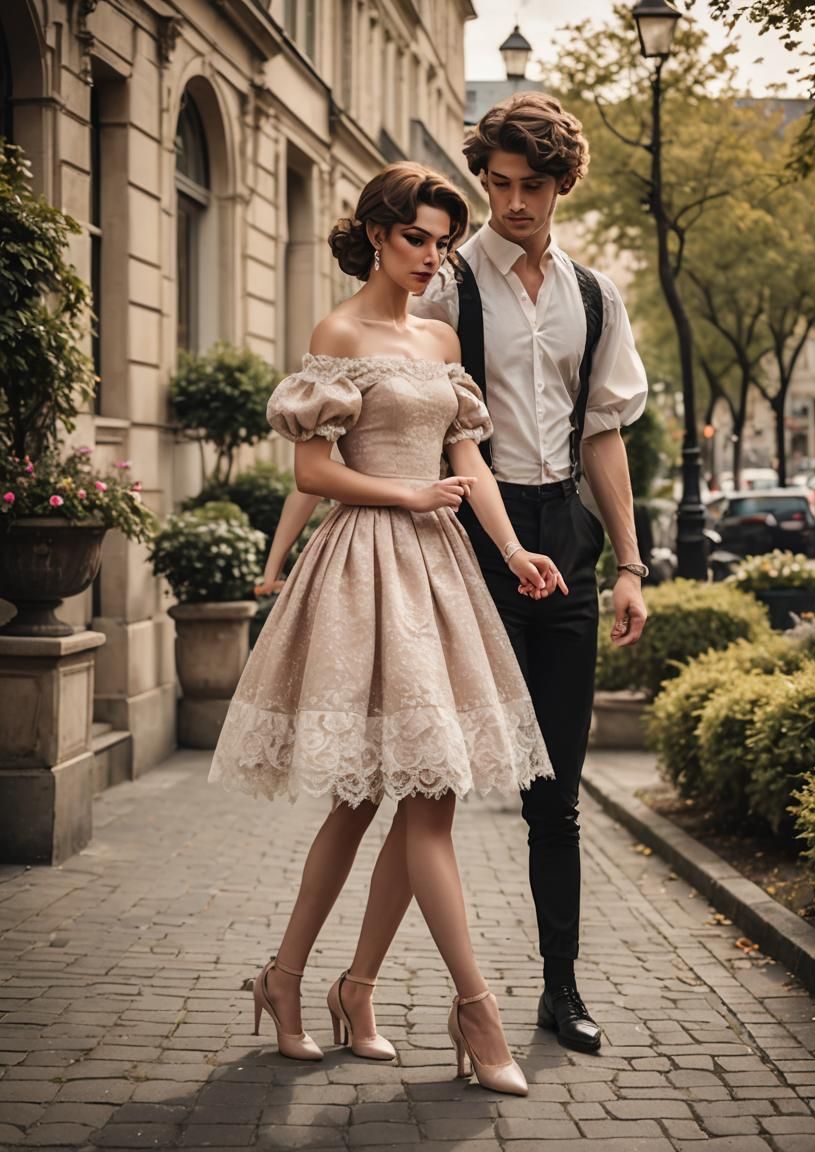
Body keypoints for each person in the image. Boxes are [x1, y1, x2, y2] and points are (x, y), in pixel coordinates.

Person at [209, 161, 568, 1097]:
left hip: (442, 573)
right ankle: (468, 1009)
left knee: (420, 795)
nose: (431, 256)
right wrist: (407, 492)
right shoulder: (337, 332)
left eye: (443, 242)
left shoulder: (441, 336)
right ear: (377, 233)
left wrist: (516, 548)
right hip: (366, 568)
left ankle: (328, 986)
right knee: (373, 798)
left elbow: (471, 463)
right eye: (417, 237)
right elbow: (313, 475)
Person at [411, 92, 649, 1055]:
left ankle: (562, 989)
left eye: (533, 186)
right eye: (499, 184)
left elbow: (604, 437)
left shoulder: (594, 296)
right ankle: (376, 985)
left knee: (558, 792)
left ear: (562, 185)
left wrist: (630, 563)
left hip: (567, 534)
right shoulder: (446, 285)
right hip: (473, 529)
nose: (513, 203)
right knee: (434, 783)